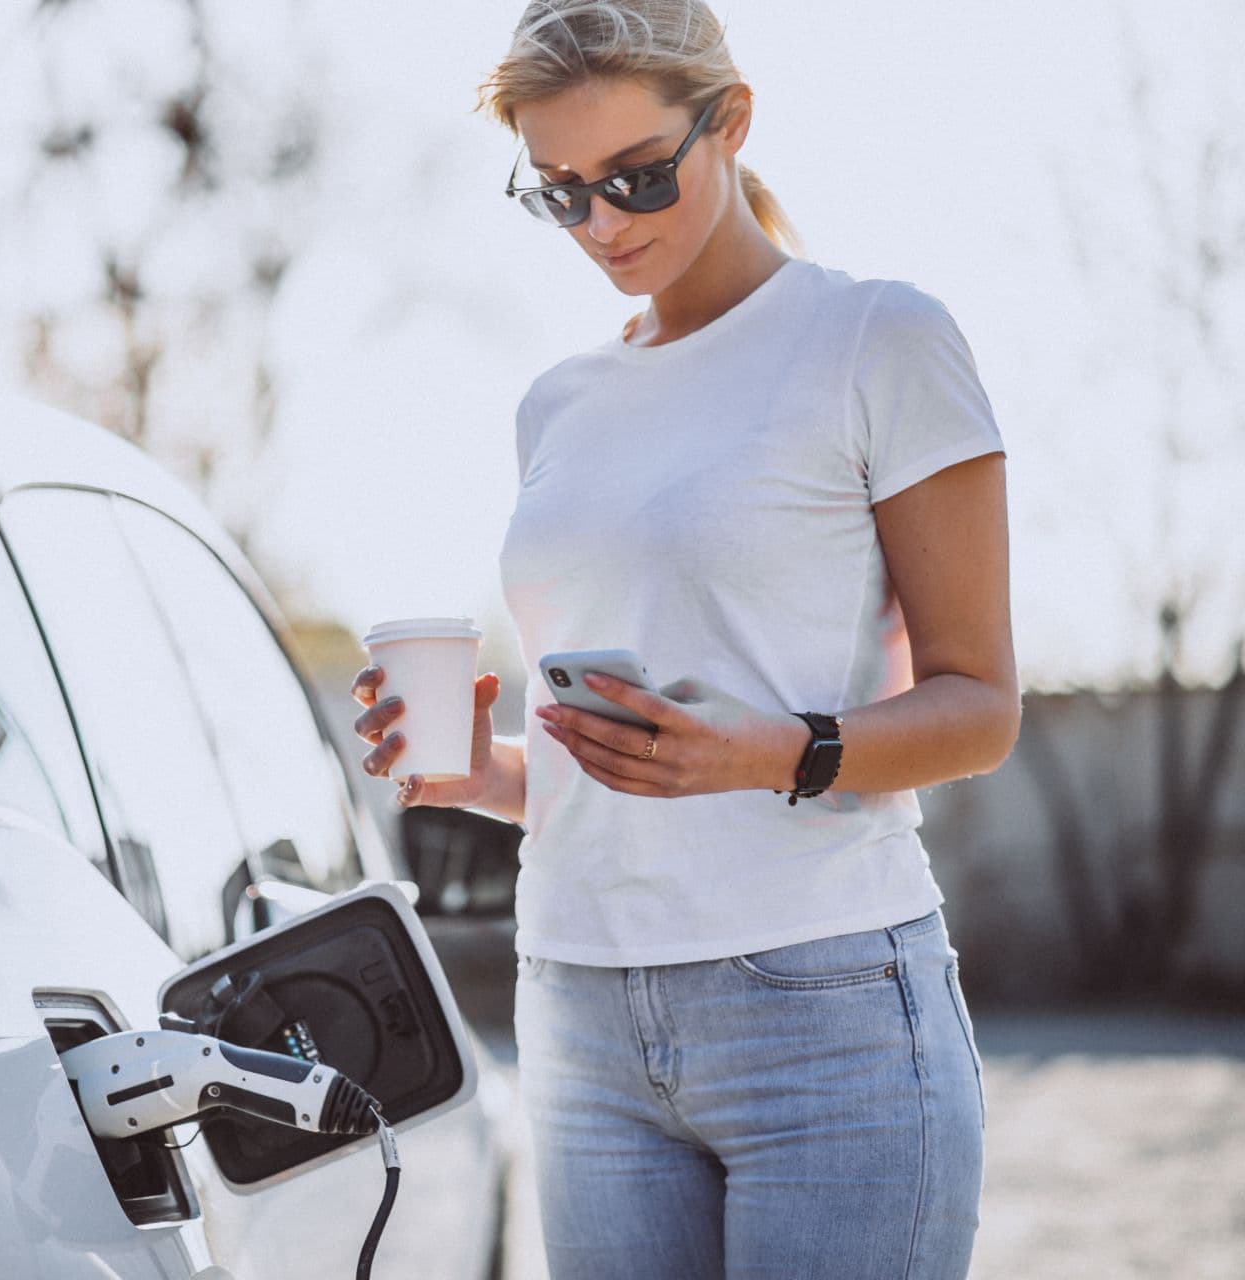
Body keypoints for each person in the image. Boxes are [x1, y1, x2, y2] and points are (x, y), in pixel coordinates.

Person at [349, 2, 1017, 1276]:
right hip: (582, 1006)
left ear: (735, 120)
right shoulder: (559, 403)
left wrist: (768, 751)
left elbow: (982, 706)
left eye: (638, 175)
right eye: (560, 193)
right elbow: (625, 759)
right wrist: (476, 771)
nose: (603, 224)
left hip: (822, 1007)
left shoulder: (879, 338)